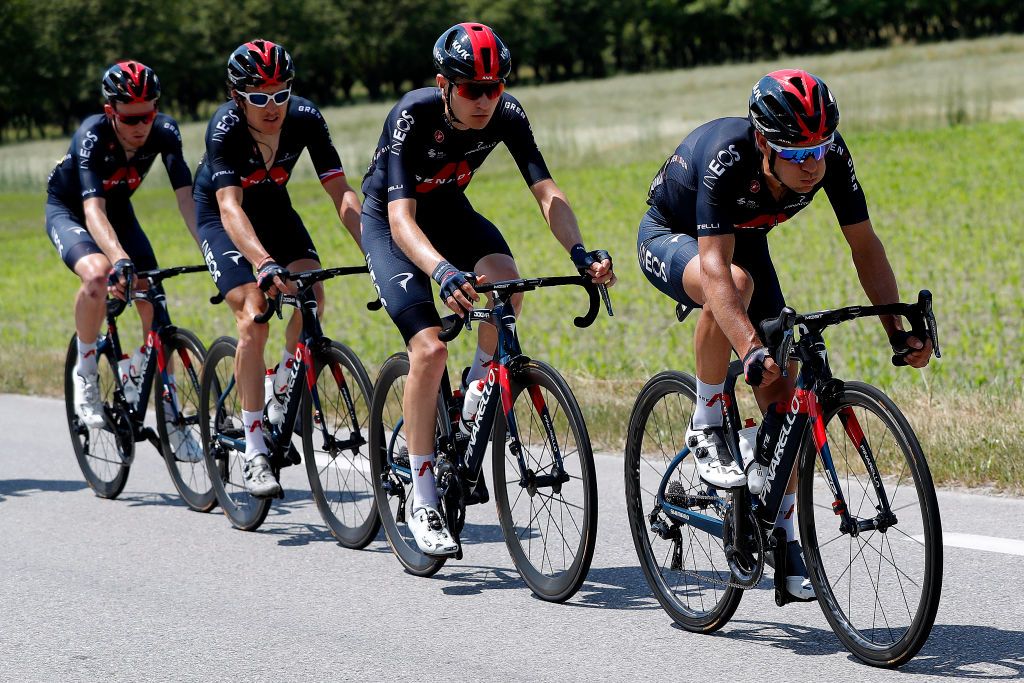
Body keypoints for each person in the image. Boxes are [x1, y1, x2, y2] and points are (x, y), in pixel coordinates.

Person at [636, 68, 932, 599]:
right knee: (735, 289)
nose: (811, 165)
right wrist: (747, 347)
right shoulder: (729, 157)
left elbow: (864, 247)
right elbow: (715, 267)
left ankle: (784, 538)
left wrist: (896, 328)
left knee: (786, 391)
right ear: (762, 141)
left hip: (746, 240)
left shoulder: (830, 158)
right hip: (675, 234)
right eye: (794, 154)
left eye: (818, 149)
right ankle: (705, 418)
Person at [361, 22, 616, 556]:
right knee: (429, 348)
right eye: (472, 88)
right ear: (445, 84)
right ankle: (423, 493)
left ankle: (477, 393)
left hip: (450, 209)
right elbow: (403, 220)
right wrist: (442, 272)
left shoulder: (507, 114)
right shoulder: (412, 114)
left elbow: (546, 192)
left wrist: (581, 253)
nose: (484, 99)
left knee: (507, 281)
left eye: (494, 86)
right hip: (393, 223)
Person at [193, 39, 362, 497]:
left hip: (274, 207)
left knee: (312, 296)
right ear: (236, 96)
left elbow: (340, 191)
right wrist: (263, 262)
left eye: (280, 93)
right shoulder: (224, 128)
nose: (273, 106)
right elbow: (229, 208)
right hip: (224, 215)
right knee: (254, 313)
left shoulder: (305, 117)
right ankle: (253, 450)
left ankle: (282, 384)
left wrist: (374, 248)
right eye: (259, 96)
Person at [46, 60, 202, 461]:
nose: (141, 125)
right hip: (73, 211)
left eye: (148, 114)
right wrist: (117, 259)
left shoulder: (165, 132)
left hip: (119, 212)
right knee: (99, 275)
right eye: (131, 117)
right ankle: (85, 371)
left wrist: (214, 252)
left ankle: (170, 416)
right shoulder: (91, 136)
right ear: (110, 109)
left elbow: (186, 198)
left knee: (155, 303)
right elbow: (93, 211)